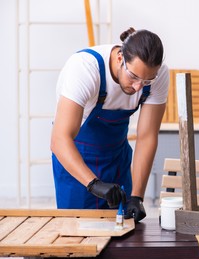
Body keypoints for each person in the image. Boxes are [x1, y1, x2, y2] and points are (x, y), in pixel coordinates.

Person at [50, 27, 169, 222]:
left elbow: (147, 136)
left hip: (117, 160)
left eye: (147, 81)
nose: (139, 86)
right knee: (78, 235)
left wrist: (137, 196)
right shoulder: (85, 68)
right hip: (77, 161)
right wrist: (93, 184)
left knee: (123, 237)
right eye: (133, 77)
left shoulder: (157, 75)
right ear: (120, 58)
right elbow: (59, 139)